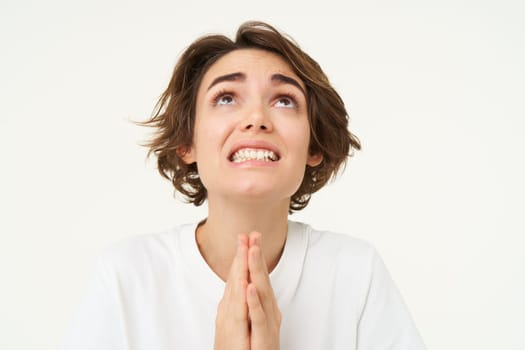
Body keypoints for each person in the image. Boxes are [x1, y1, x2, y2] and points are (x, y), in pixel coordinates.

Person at [61, 21, 426, 350]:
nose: (256, 119)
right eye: (226, 98)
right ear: (187, 142)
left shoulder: (356, 273)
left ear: (313, 146)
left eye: (284, 101)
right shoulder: (127, 276)